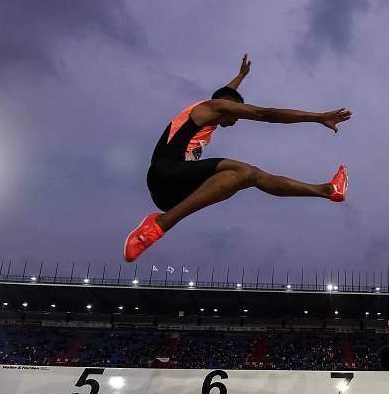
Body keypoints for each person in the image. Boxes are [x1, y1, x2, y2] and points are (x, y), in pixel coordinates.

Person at [123, 54, 352, 262]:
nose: (236, 121)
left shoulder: (211, 111)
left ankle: (327, 191)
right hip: (164, 173)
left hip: (170, 194)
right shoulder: (210, 108)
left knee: (251, 176)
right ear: (229, 107)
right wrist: (318, 117)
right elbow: (266, 113)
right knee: (246, 173)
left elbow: (225, 93)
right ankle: (159, 224)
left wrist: (240, 76)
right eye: (237, 114)